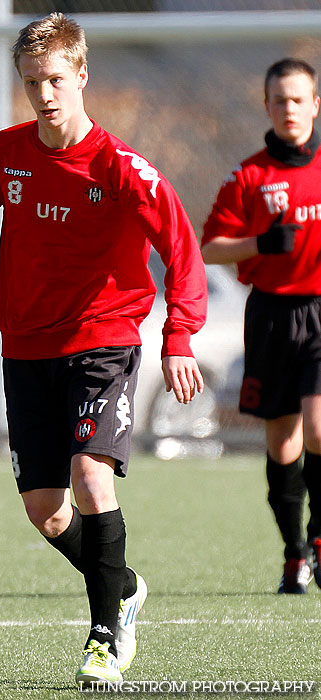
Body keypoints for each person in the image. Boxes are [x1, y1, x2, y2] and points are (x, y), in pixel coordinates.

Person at [0, 13, 207, 687]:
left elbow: (181, 248)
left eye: (54, 79)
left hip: (101, 340)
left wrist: (178, 336)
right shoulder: (3, 154)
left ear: (80, 74)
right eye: (31, 83)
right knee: (46, 513)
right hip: (25, 348)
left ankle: (104, 637)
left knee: (89, 477)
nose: (43, 95)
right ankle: (124, 586)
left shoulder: (120, 168)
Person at [202, 58, 321, 595]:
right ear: (267, 106)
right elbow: (210, 246)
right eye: (280, 100)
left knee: (319, 429)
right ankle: (294, 552)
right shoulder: (249, 176)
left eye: (300, 99)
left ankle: (319, 538)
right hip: (272, 316)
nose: (290, 109)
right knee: (282, 444)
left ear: (315, 105)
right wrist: (262, 243)